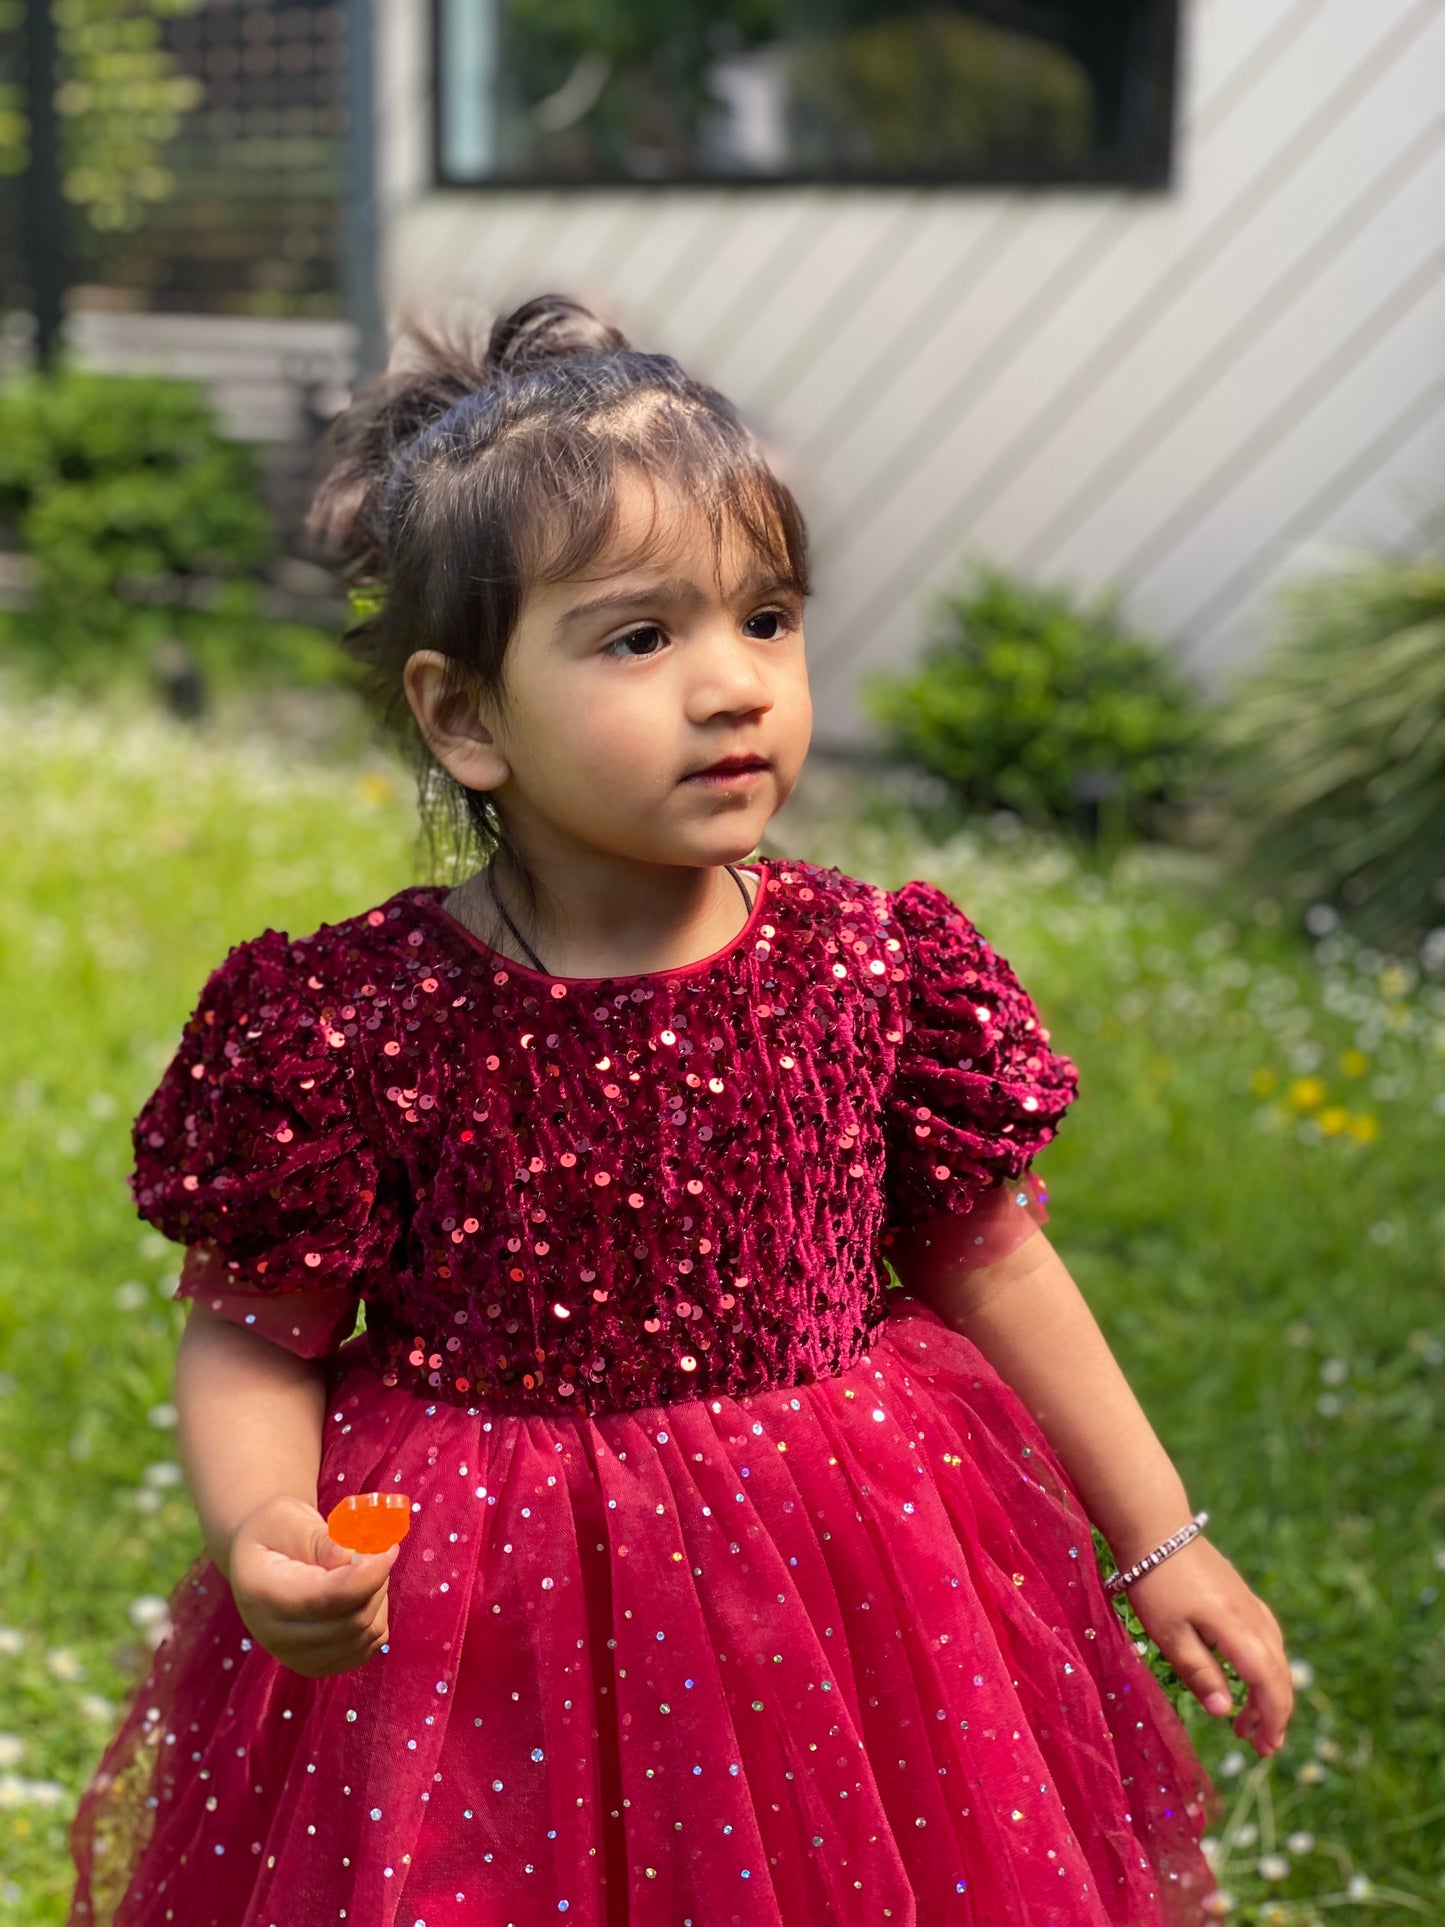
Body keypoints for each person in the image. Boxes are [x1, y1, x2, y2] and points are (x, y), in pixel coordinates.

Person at [67, 292, 1292, 1927]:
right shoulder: (357, 1023)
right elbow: (256, 1329)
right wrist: (266, 1524)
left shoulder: (872, 967)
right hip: (478, 1603)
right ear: (464, 717)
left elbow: (989, 1258)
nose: (732, 686)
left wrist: (1157, 1543)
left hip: (837, 1579)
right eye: (641, 638)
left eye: (766, 618)